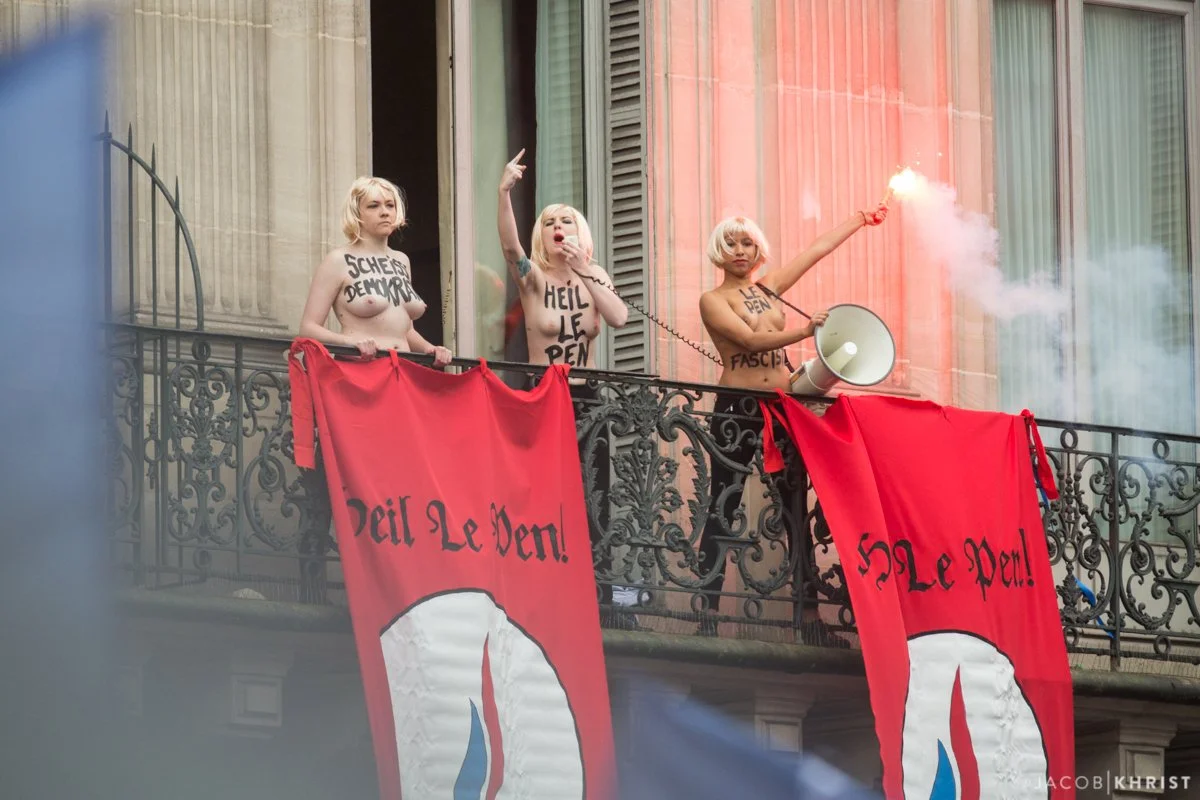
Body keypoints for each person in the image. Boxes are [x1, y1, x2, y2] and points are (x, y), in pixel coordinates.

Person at [696, 206, 887, 638]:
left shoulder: (770, 288)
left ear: (758, 249)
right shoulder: (713, 300)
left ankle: (808, 617)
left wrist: (859, 218)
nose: (740, 250)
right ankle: (704, 612)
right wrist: (804, 333)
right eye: (731, 244)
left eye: (747, 243)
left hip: (783, 407)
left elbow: (816, 249)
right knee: (722, 504)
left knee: (793, 506)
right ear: (719, 253)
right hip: (737, 408)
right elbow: (747, 339)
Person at [497, 149, 631, 619]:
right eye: (551, 221)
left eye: (568, 222)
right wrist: (504, 192)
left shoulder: (595, 277)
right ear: (542, 233)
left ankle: (600, 586)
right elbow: (511, 250)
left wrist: (588, 271)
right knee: (541, 490)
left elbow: (618, 316)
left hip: (586, 396)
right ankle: (537, 582)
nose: (559, 227)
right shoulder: (532, 281)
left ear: (580, 234)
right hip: (542, 392)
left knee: (594, 490)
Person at [299, 176, 452, 366]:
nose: (385, 212)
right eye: (373, 206)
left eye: (390, 205)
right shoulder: (338, 260)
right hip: (360, 375)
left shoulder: (401, 260)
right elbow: (308, 328)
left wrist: (430, 348)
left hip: (401, 371)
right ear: (356, 213)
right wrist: (350, 342)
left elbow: (405, 329)